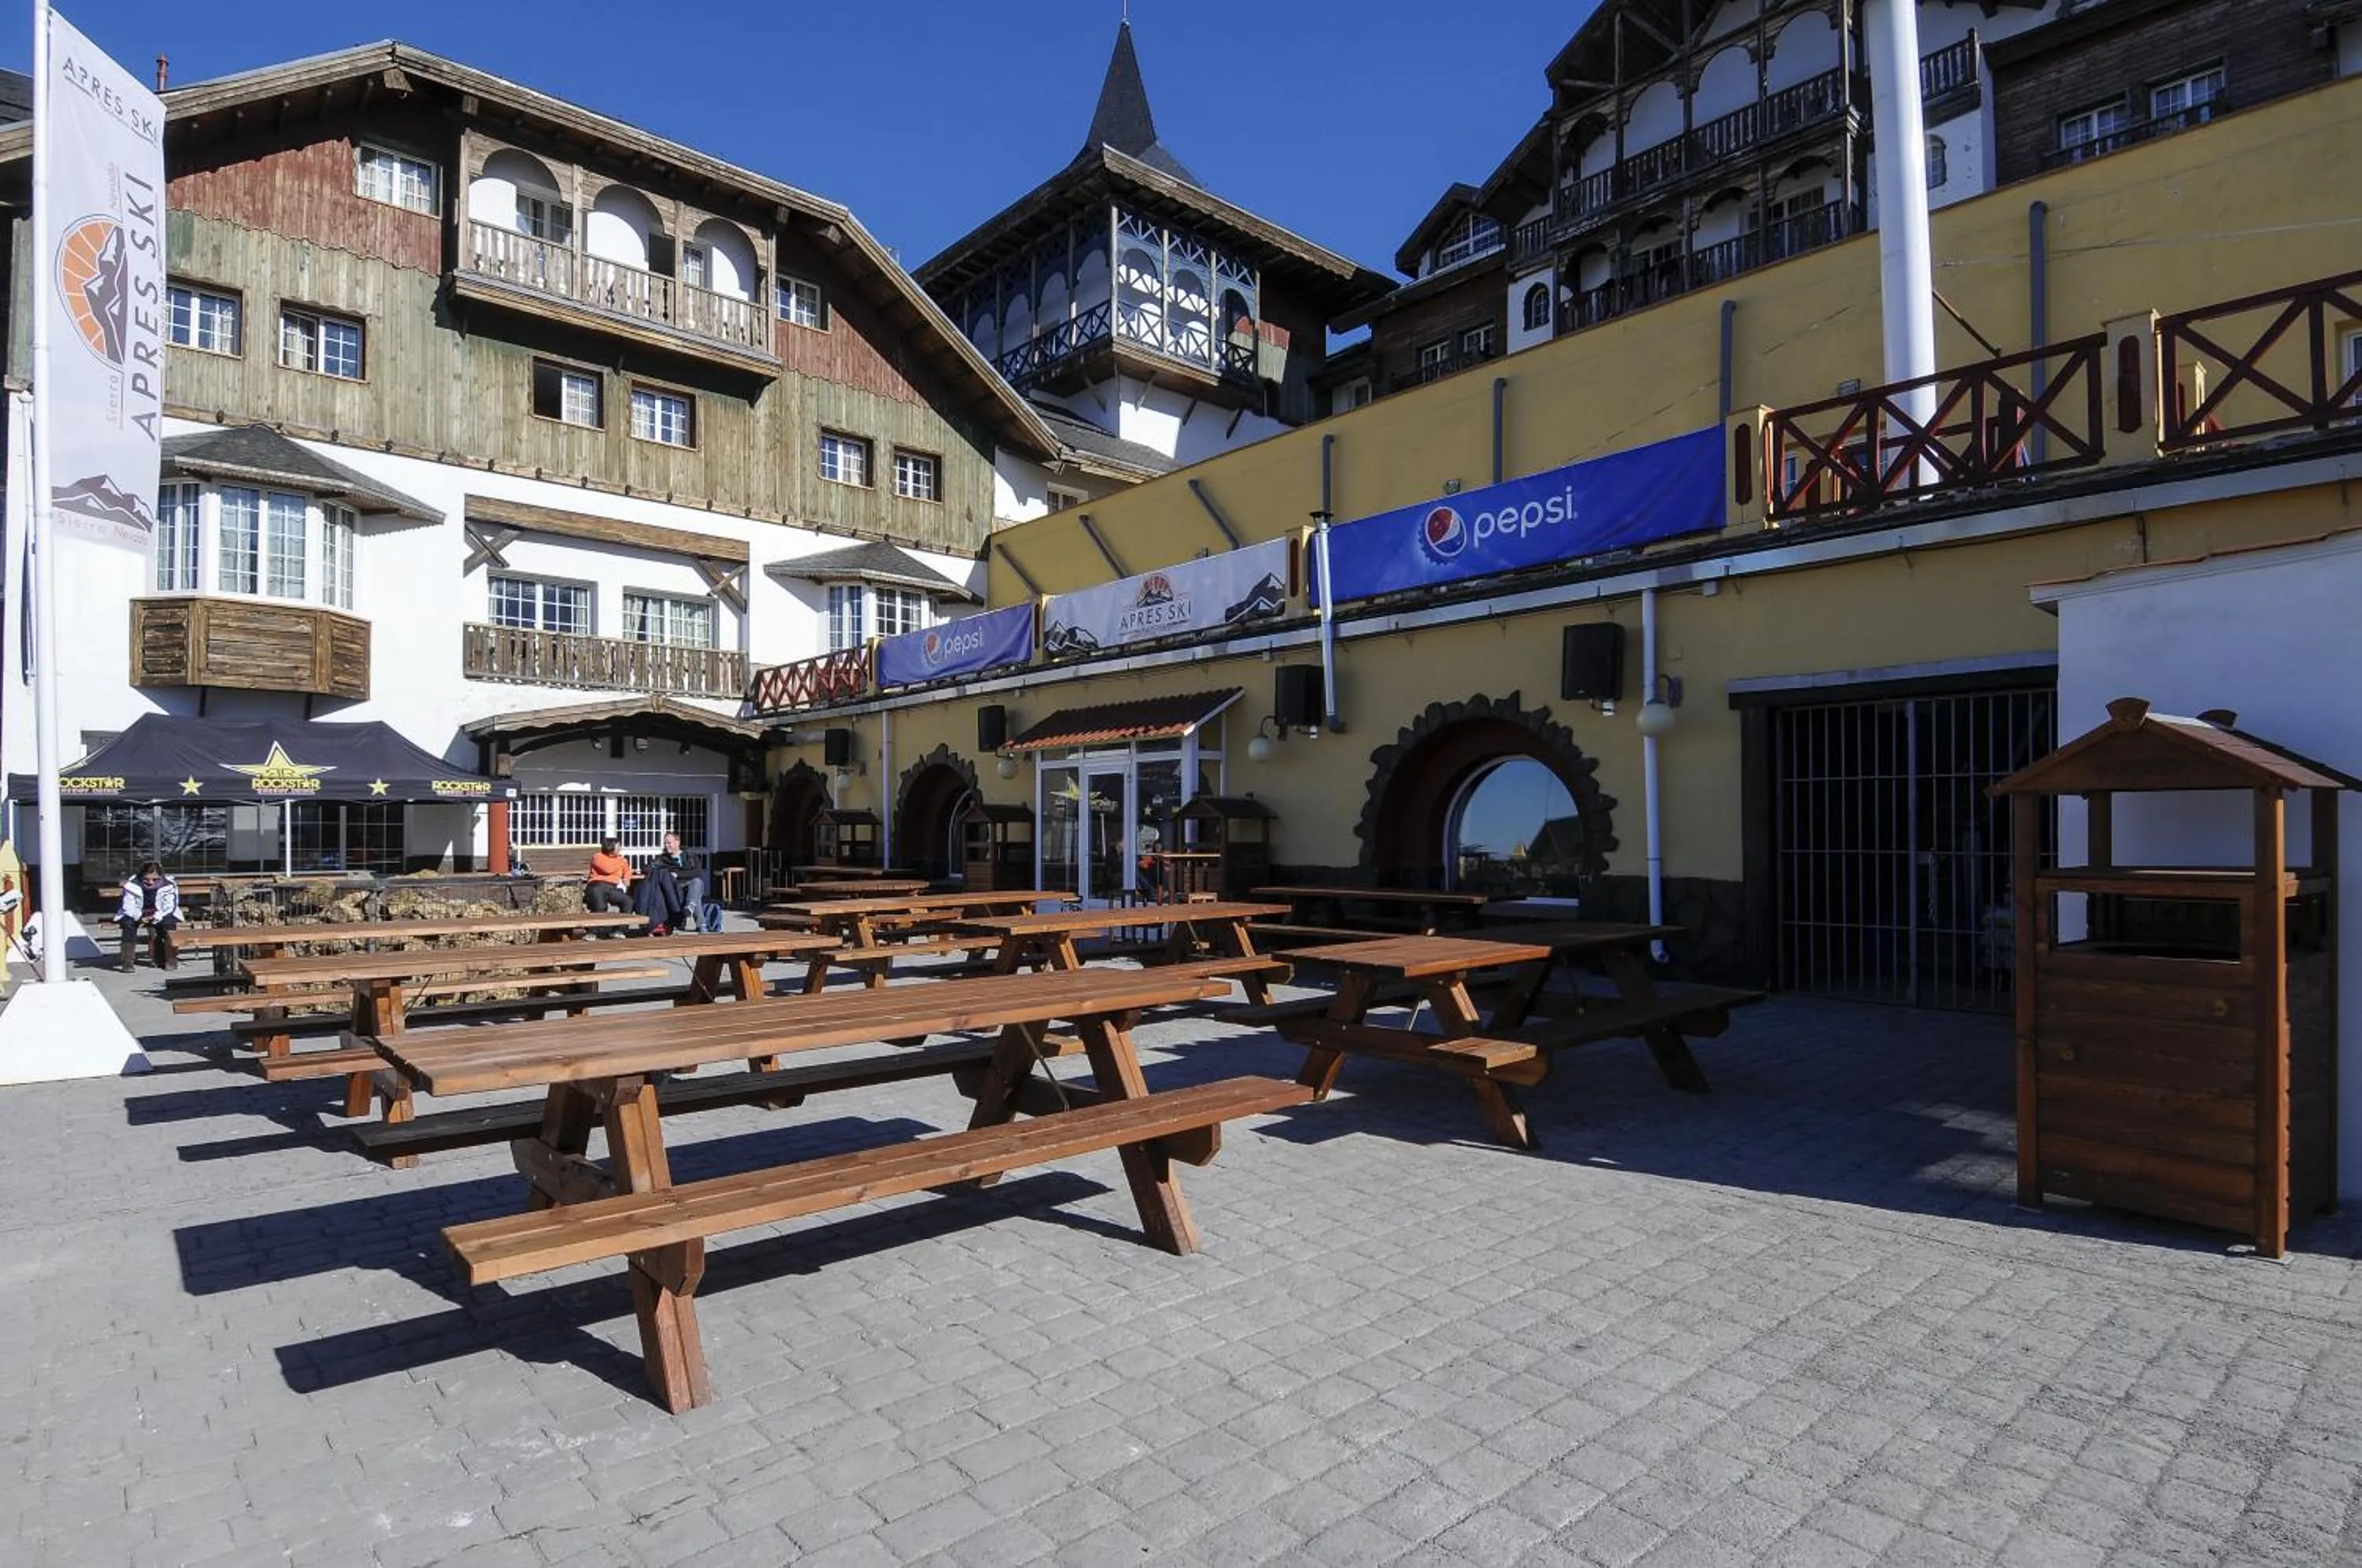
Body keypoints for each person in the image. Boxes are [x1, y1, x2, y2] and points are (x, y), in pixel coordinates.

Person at [634, 832, 709, 935]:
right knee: (695, 895)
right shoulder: (663, 859)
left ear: (677, 842)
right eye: (665, 843)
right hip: (674, 888)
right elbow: (646, 868)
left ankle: (690, 908)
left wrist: (678, 874)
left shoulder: (690, 856)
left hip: (689, 884)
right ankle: (701, 924)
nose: (666, 845)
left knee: (697, 883)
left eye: (669, 843)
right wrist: (661, 872)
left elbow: (697, 872)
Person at [117, 860, 180, 972]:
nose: (151, 883)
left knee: (168, 924)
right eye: (146, 879)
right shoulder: (131, 885)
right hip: (137, 911)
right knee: (128, 925)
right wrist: (140, 917)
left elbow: (170, 906)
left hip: (160, 912)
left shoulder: (169, 885)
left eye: (155, 879)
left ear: (161, 877)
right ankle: (127, 962)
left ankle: (170, 959)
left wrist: (157, 916)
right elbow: (128, 906)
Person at [585, 838, 633, 921]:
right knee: (601, 907)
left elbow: (627, 870)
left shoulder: (620, 859)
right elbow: (608, 868)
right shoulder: (598, 857)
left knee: (628, 902)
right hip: (597, 886)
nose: (620, 848)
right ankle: (594, 931)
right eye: (618, 846)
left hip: (612, 888)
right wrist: (622, 862)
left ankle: (620, 929)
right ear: (611, 847)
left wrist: (626, 878)